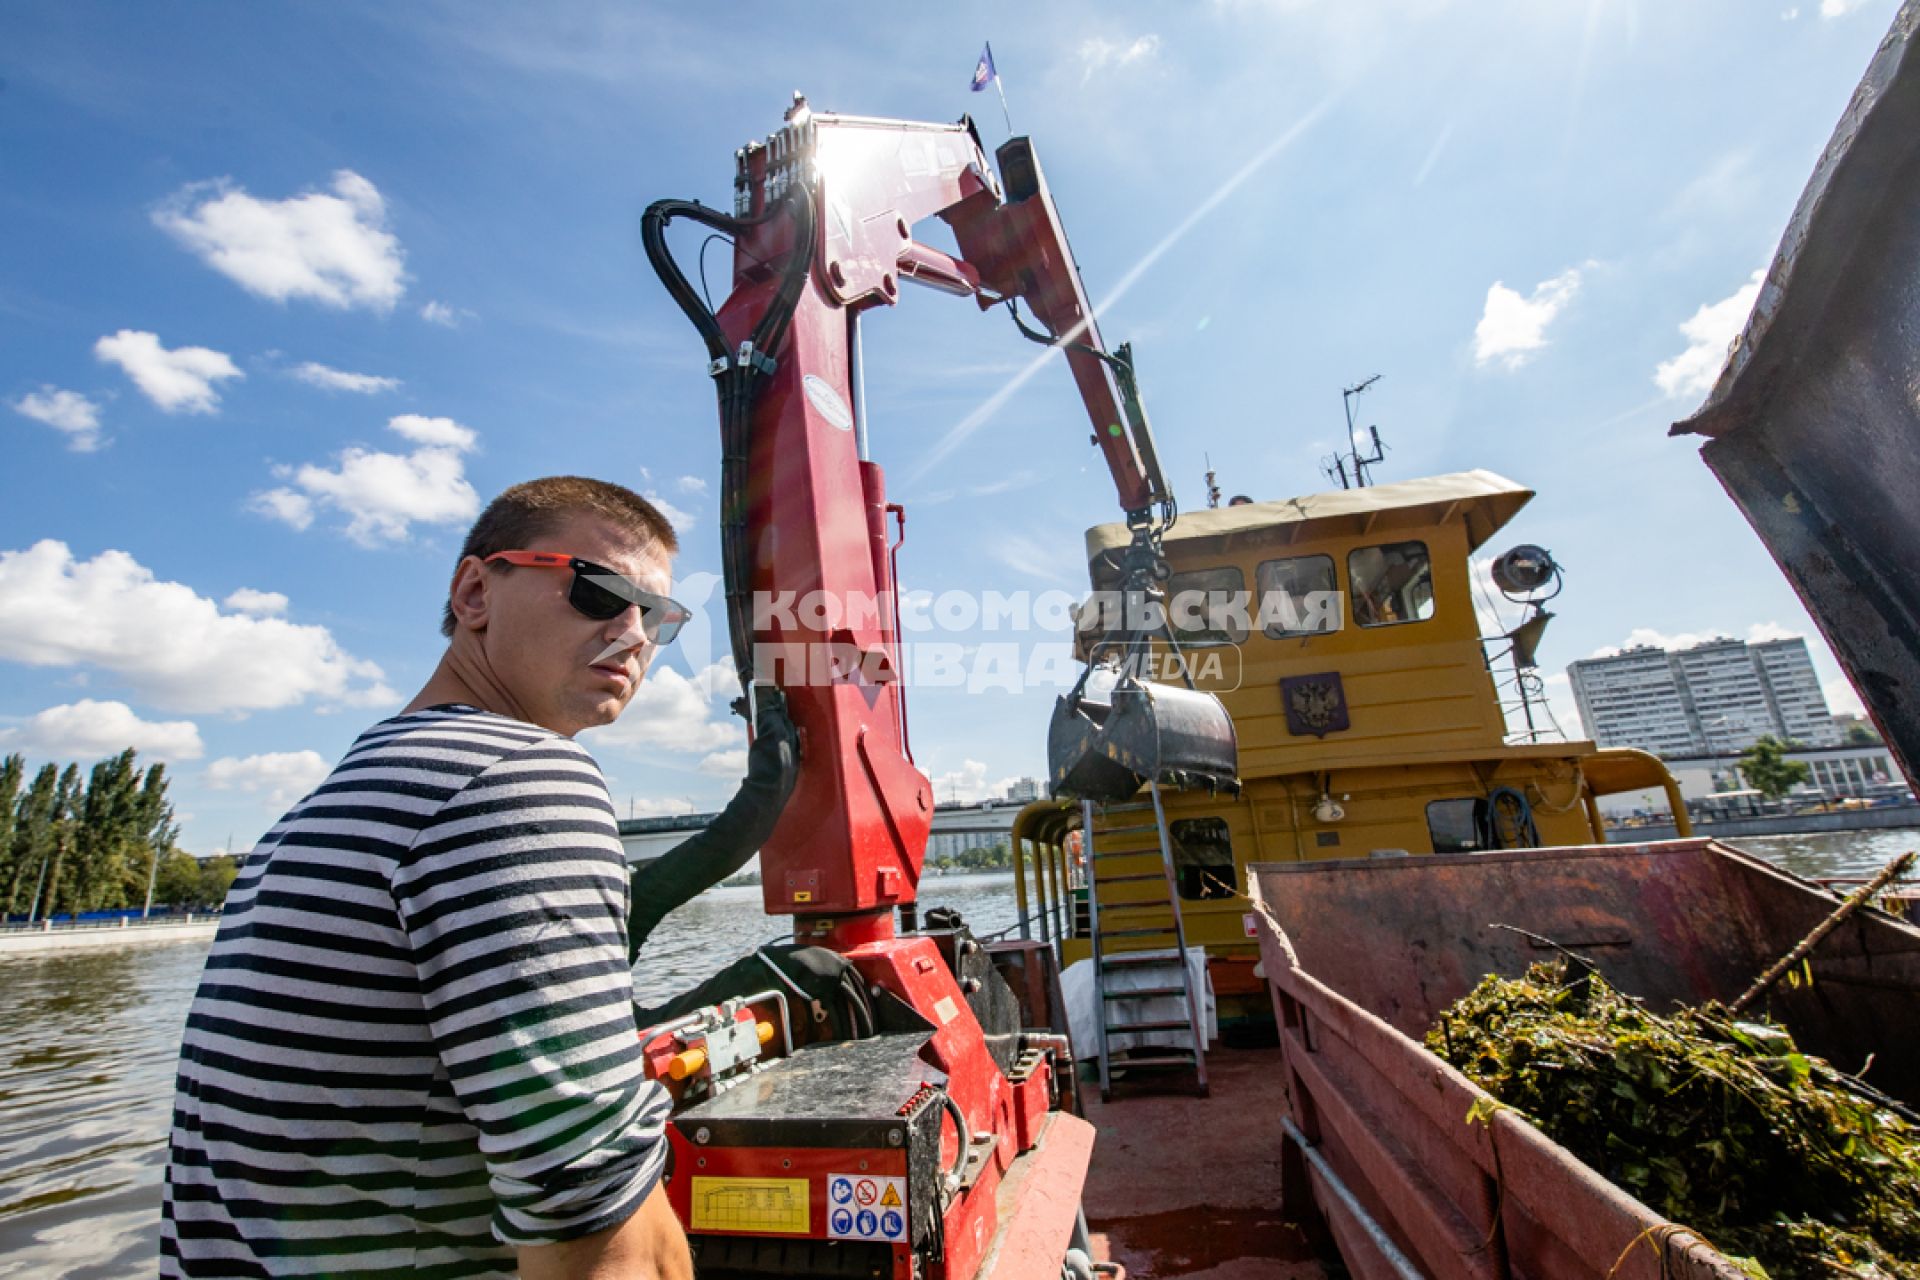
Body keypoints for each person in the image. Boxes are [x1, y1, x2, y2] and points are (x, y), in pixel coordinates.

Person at [162, 477, 696, 1280]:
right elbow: (594, 1231)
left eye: (658, 618)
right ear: (476, 591)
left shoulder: (334, 800)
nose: (633, 634)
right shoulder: (518, 779)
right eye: (598, 590)